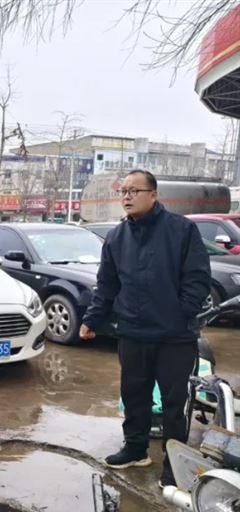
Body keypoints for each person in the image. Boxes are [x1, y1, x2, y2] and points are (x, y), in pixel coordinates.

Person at [80, 169, 210, 488]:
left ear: (153, 195)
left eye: (133, 191)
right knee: (134, 395)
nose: (126, 197)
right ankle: (136, 449)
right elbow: (107, 285)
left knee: (174, 404)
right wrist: (92, 319)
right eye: (123, 191)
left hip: (174, 337)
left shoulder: (181, 230)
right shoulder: (116, 237)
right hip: (133, 334)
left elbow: (197, 278)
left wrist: (182, 313)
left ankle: (174, 462)